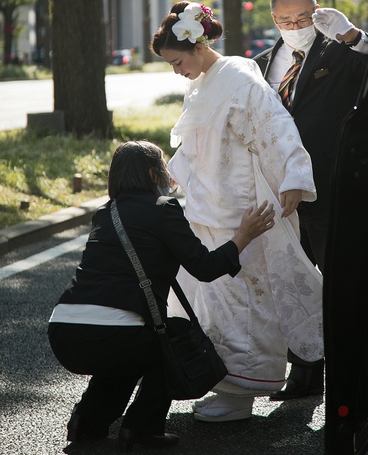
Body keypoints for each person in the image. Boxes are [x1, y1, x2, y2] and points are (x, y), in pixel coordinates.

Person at [151, 0, 324, 423]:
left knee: (245, 302)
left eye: (177, 61)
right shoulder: (205, 81)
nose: (177, 71)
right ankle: (224, 383)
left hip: (240, 210)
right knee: (214, 300)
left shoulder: (238, 77)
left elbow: (275, 124)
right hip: (210, 206)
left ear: (196, 47)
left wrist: (294, 176)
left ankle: (242, 390)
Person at [47, 140, 275, 452]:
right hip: (113, 336)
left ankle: (87, 424)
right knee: (170, 338)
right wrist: (244, 234)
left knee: (126, 350)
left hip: (63, 334)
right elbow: (204, 267)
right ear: (154, 177)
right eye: (165, 169)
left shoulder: (105, 213)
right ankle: (142, 428)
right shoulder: (163, 209)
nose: (169, 176)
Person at [254, 0, 368, 401]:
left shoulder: (339, 51)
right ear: (274, 20)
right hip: (281, 196)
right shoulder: (262, 63)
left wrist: (351, 35)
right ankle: (305, 375)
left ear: (317, 11)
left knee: (339, 282)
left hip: (330, 187)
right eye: (286, 20)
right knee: (292, 284)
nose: (295, 25)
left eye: (303, 18)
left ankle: (352, 375)